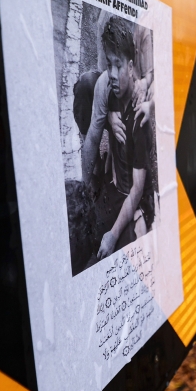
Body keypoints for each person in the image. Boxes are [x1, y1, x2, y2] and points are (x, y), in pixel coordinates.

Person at [81, 16, 154, 263]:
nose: (112, 74)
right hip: (113, 190)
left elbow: (137, 188)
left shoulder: (139, 117)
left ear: (131, 67)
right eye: (109, 65)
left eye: (118, 66)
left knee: (123, 255)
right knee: (86, 239)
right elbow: (92, 137)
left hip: (132, 198)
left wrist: (113, 235)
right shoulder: (107, 87)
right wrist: (82, 189)